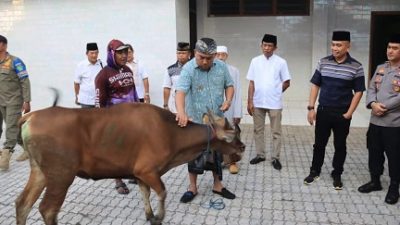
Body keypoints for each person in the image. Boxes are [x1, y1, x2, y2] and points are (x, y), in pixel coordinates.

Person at [175, 37, 236, 203]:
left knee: (217, 154)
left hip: (217, 119)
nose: (204, 61)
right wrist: (181, 112)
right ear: (195, 53)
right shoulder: (188, 69)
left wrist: (228, 100)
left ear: (215, 55)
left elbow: (229, 85)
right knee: (194, 154)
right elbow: (180, 92)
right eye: (201, 57)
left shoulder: (222, 67)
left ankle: (218, 185)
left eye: (209, 58)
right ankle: (192, 188)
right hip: (195, 121)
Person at [303, 31, 365, 190]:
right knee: (319, 144)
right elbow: (315, 85)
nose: (335, 48)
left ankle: (337, 173)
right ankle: (314, 170)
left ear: (348, 46)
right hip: (323, 110)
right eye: (333, 44)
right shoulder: (323, 62)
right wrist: (311, 108)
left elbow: (359, 91)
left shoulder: (356, 66)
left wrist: (349, 113)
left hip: (342, 113)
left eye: (339, 45)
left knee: (340, 145)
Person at [358, 33, 400, 205]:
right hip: (375, 121)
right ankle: (375, 181)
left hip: (394, 123)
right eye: (389, 47)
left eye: (395, 48)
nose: (390, 51)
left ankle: (394, 187)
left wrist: (384, 106)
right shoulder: (381, 68)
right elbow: (371, 88)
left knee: (395, 156)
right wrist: (373, 104)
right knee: (374, 152)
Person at [95, 39, 139, 194]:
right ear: (111, 54)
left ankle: (132, 173)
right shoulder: (103, 75)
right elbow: (99, 102)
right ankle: (118, 179)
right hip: (114, 121)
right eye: (120, 52)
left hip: (132, 118)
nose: (124, 55)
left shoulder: (128, 69)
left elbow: (133, 92)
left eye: (125, 52)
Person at [247, 34, 291, 171]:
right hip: (258, 101)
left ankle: (275, 158)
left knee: (276, 132)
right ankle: (260, 155)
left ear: (275, 47)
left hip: (274, 103)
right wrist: (249, 101)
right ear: (261, 46)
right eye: (264, 45)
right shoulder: (255, 61)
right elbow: (251, 82)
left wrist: (277, 92)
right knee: (258, 130)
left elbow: (287, 82)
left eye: (269, 45)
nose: (266, 48)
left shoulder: (281, 62)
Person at [0, 35, 31, 170]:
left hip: (13, 100)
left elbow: (25, 81)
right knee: (15, 127)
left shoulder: (15, 62)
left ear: (5, 46)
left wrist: (27, 100)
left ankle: (5, 157)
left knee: (11, 127)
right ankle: (29, 149)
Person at [216, 45, 242, 174]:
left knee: (230, 135)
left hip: (229, 110)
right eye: (218, 54)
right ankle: (218, 161)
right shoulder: (210, 70)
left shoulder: (234, 71)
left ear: (227, 56)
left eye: (223, 55)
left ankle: (232, 162)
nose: (220, 57)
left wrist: (238, 112)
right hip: (215, 110)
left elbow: (237, 93)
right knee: (216, 136)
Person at [162, 42, 191, 113]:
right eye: (179, 53)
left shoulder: (194, 68)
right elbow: (167, 87)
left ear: (189, 54)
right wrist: (165, 105)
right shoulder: (170, 69)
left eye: (183, 53)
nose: (181, 55)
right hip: (175, 106)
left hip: (191, 105)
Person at [74, 42, 103, 108]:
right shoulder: (81, 66)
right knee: (85, 118)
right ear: (87, 53)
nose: (94, 55)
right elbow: (76, 83)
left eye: (96, 53)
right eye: (92, 53)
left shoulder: (102, 65)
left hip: (99, 101)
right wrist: (77, 96)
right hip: (85, 101)